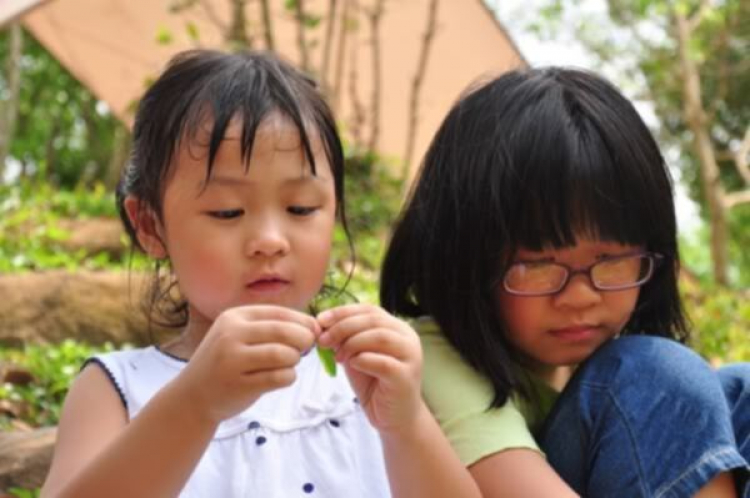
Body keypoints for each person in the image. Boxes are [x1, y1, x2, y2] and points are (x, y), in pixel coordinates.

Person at [41, 49, 481, 498]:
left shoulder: (371, 378)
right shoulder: (115, 389)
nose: (270, 239)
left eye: (301, 208)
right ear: (151, 227)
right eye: (227, 211)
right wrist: (194, 403)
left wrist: (406, 425)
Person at [380, 67, 750, 497]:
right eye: (538, 265)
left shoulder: (585, 363)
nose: (580, 297)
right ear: (464, 259)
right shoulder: (434, 356)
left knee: (740, 391)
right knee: (653, 376)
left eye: (610, 260)